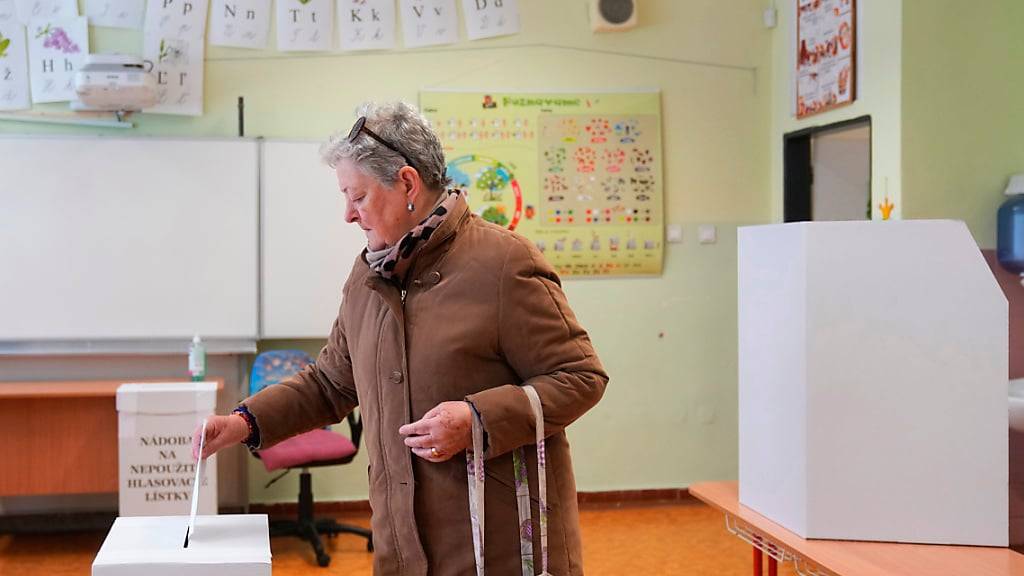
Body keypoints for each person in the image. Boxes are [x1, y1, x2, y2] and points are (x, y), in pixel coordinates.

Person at [194, 101, 608, 576]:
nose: (348, 215)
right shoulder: (367, 276)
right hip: (401, 547)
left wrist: (477, 418)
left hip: (498, 549)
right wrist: (244, 422)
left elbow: (580, 377)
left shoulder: (503, 264)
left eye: (359, 196)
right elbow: (330, 383)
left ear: (408, 184)